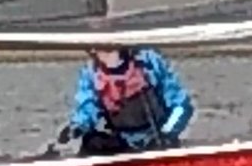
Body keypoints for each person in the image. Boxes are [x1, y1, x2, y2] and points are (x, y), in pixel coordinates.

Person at [57, 46, 194, 156]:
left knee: (161, 146)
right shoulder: (91, 73)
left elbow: (181, 105)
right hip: (122, 141)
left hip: (158, 138)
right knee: (92, 142)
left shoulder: (148, 61)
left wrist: (168, 133)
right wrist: (77, 127)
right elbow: (88, 107)